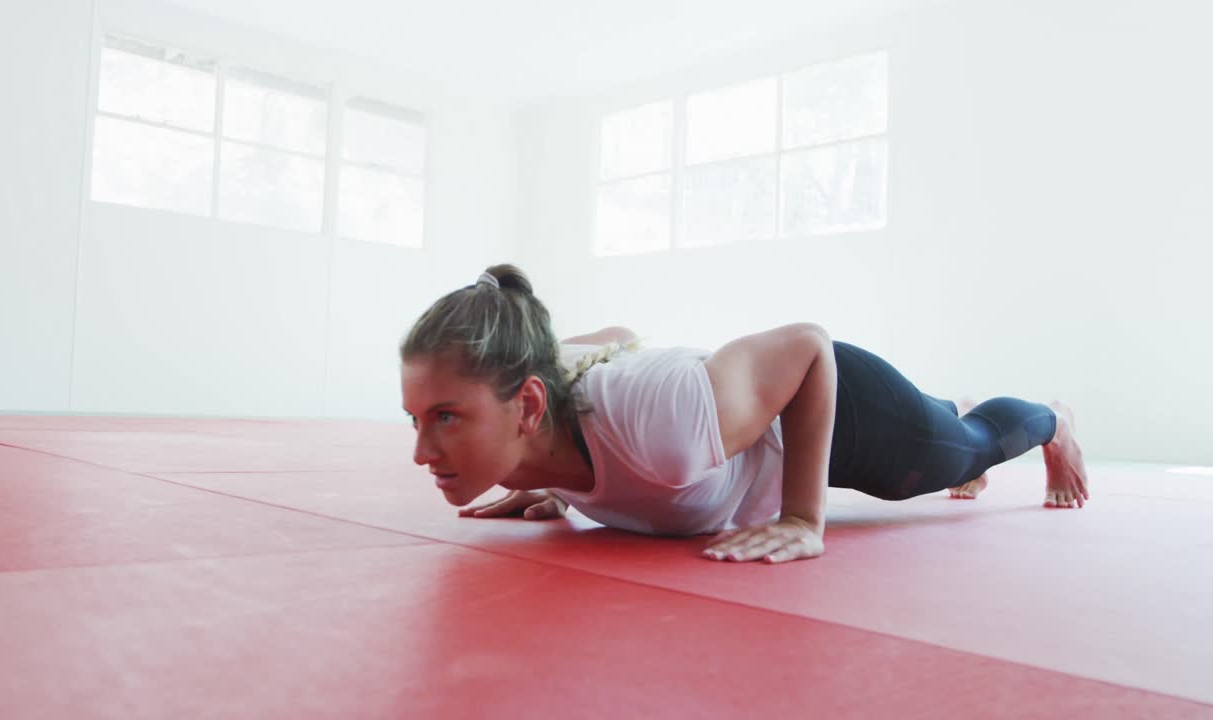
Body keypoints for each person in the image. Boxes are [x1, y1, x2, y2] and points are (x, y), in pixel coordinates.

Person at [399, 264, 1089, 565]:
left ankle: (1055, 419)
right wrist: (540, 465)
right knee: (947, 428)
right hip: (757, 415)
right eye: (416, 419)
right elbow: (614, 336)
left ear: (526, 404)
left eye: (447, 418)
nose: (423, 452)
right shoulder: (543, 401)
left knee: (964, 453)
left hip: (840, 404)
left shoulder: (663, 424)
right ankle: (948, 405)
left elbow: (808, 347)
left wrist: (801, 519)